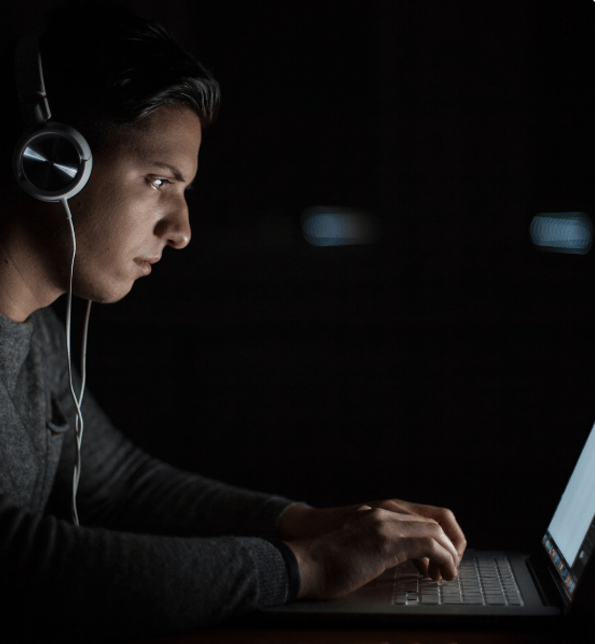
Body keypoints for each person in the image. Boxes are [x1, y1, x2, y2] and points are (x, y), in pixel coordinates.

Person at [0, 1, 467, 641]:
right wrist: (303, 567)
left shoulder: (39, 332)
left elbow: (119, 481)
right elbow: (23, 564)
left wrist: (304, 521)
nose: (182, 230)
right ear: (51, 162)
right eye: (159, 180)